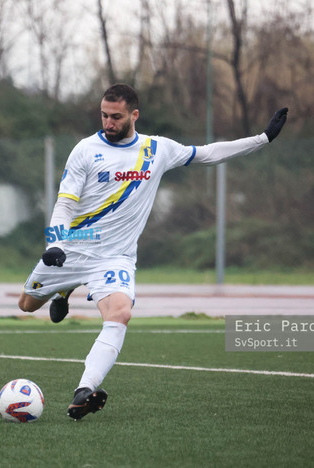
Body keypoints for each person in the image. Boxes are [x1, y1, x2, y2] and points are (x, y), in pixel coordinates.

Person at [18, 83, 288, 420]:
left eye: (115, 117)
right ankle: (64, 289)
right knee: (27, 305)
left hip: (115, 258)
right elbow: (65, 202)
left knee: (120, 314)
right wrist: (54, 244)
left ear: (134, 115)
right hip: (70, 250)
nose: (108, 122)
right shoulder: (85, 151)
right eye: (103, 115)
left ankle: (83, 391)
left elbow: (207, 153)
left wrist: (262, 139)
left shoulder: (157, 149)